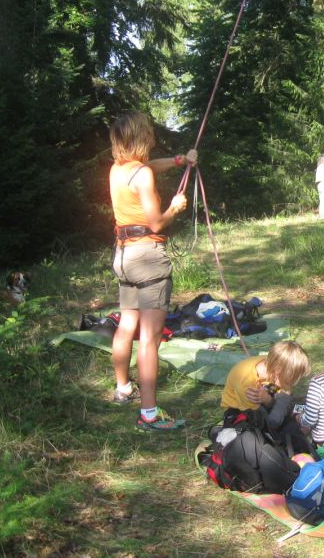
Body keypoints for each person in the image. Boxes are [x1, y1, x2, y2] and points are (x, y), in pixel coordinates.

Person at [109, 112, 198, 431]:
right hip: (147, 257)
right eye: (147, 132)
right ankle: (149, 414)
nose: (152, 136)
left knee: (126, 325)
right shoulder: (142, 174)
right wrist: (175, 207)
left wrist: (178, 161)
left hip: (123, 256)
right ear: (140, 137)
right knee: (149, 338)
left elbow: (147, 168)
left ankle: (123, 388)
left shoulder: (118, 169)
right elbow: (157, 222)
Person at [221, 341, 312, 432]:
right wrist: (269, 401)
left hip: (263, 395)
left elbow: (283, 393)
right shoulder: (247, 385)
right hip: (240, 411)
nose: (293, 383)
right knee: (276, 424)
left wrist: (268, 400)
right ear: (278, 372)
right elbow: (260, 421)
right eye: (293, 378)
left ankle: (291, 416)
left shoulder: (272, 363)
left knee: (286, 401)